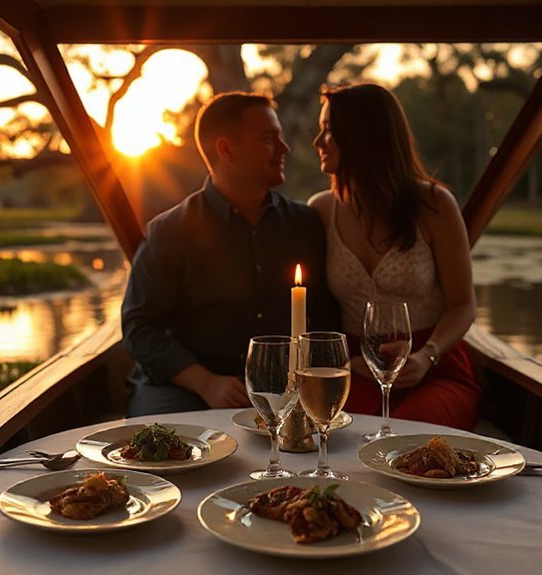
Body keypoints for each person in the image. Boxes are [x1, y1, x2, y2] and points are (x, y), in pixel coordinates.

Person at [122, 92, 338, 417]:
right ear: (226, 150)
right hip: (185, 389)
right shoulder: (169, 231)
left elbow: (325, 314)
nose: (285, 149)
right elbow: (140, 327)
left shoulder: (304, 224)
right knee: (162, 441)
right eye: (269, 139)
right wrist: (205, 382)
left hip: (284, 387)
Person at [308, 83, 480, 431]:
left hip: (432, 365)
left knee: (411, 434)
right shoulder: (321, 211)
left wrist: (425, 355)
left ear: (363, 137)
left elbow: (463, 305)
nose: (318, 141)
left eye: (329, 130)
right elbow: (310, 310)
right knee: (341, 433)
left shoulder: (435, 206)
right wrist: (342, 359)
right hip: (354, 367)